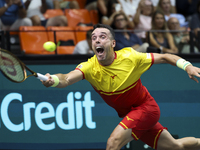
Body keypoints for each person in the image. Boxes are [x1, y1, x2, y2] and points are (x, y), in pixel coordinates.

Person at [41, 23, 200, 150]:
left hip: (146, 108)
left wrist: (187, 66)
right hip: (131, 114)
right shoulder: (89, 67)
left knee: (113, 143)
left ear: (113, 43)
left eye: (102, 37)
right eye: (94, 37)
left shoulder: (130, 57)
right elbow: (67, 78)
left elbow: (165, 57)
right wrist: (53, 80)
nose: (97, 40)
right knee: (175, 146)